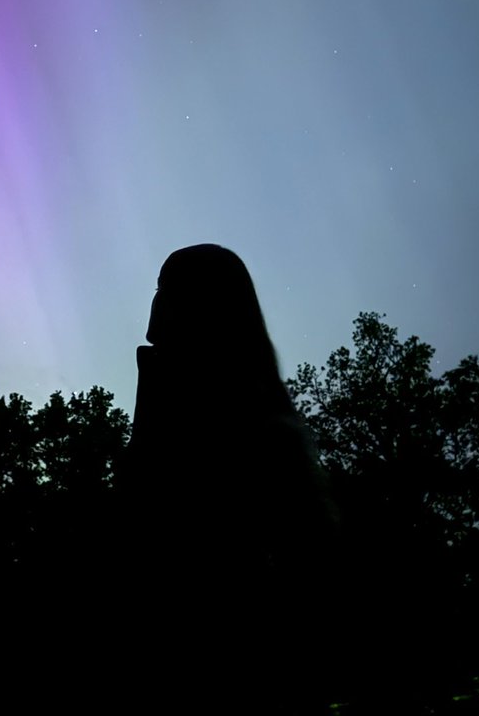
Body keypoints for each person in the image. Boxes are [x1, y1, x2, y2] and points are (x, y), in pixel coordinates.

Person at [123, 244, 338, 710]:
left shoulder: (254, 427)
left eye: (168, 291)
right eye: (158, 289)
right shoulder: (170, 398)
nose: (156, 305)